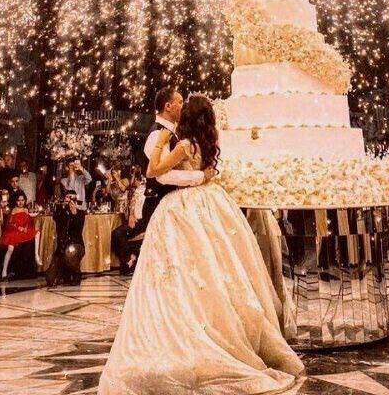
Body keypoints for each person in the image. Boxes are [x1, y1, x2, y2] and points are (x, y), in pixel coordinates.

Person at [98, 94, 304, 395]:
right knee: (216, 265)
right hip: (211, 201)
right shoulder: (207, 139)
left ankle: (193, 329)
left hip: (183, 207)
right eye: (177, 100)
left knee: (187, 269)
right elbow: (195, 172)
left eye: (184, 103)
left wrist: (166, 152)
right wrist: (202, 175)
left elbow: (155, 172)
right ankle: (224, 327)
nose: (180, 105)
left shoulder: (180, 142)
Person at [139, 87, 214, 235]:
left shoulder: (176, 133)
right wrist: (201, 176)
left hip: (177, 205)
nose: (184, 106)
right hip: (161, 205)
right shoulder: (157, 134)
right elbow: (162, 176)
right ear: (167, 106)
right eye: (180, 102)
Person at [46, 190, 86, 286]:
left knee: (70, 252)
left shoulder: (80, 213)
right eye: (68, 197)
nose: (70, 200)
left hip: (76, 245)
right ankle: (64, 275)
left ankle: (76, 275)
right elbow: (56, 218)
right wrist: (63, 208)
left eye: (73, 198)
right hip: (62, 247)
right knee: (50, 279)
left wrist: (74, 213)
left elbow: (78, 228)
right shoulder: (60, 212)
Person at [0, 191, 40, 279]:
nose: (20, 202)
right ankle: (4, 271)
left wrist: (25, 227)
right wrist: (19, 228)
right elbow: (9, 224)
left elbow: (28, 222)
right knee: (10, 249)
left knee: (37, 233)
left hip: (22, 232)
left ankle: (37, 255)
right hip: (13, 232)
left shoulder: (26, 210)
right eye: (18, 200)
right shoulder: (13, 210)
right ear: (15, 201)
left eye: (22, 200)